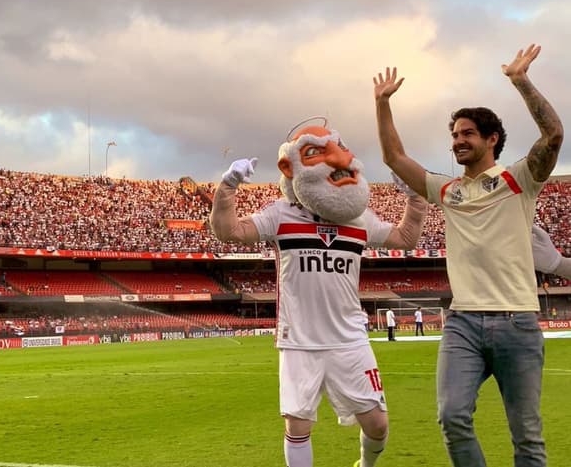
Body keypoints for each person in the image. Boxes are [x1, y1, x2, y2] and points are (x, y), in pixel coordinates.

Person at [373, 44, 563, 467]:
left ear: (491, 139)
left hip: (517, 320)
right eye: (454, 135)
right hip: (462, 323)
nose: (457, 141)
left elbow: (553, 136)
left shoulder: (520, 178)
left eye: (467, 133)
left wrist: (521, 81)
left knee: (527, 438)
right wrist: (382, 104)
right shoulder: (447, 190)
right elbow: (393, 157)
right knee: (452, 417)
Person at [210, 120, 426, 467]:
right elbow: (228, 231)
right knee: (299, 425)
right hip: (299, 340)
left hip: (349, 338)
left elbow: (406, 239)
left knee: (378, 424)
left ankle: (365, 464)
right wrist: (228, 186)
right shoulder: (281, 215)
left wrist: (415, 197)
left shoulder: (359, 219)